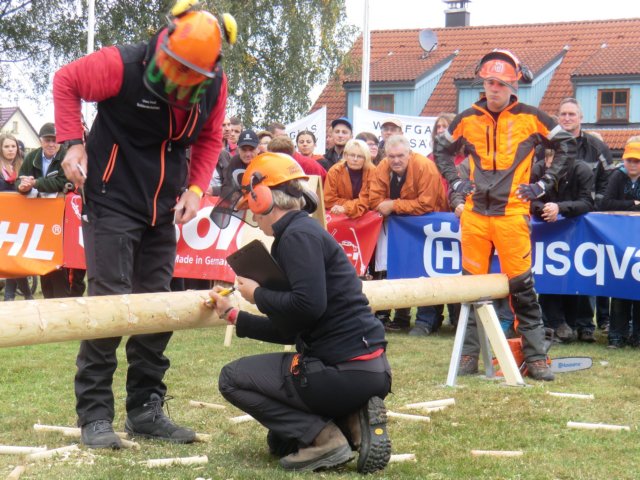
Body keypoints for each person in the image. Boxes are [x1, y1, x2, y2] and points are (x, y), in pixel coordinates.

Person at [53, 7, 229, 449]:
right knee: (108, 303)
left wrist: (194, 187)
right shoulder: (121, 64)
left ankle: (146, 409)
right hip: (111, 196)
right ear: (164, 40)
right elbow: (66, 81)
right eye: (170, 63)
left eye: (186, 73)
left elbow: (208, 139)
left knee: (158, 306)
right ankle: (94, 415)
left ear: (207, 72)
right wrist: (72, 142)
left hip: (164, 205)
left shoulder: (214, 87)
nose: (173, 76)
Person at [208, 152, 392, 473]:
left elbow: (308, 306)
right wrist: (236, 316)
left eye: (252, 207)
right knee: (280, 441)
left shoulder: (296, 236)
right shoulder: (302, 232)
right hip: (368, 370)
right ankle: (351, 419)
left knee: (231, 379)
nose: (253, 217)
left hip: (337, 370)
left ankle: (324, 438)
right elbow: (291, 328)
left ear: (263, 198)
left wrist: (258, 294)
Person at [434, 49, 576, 381]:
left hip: (513, 213)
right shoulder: (466, 118)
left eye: (499, 83)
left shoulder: (532, 116)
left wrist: (544, 185)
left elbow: (567, 144)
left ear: (513, 85)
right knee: (470, 290)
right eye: (488, 82)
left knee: (522, 288)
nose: (493, 88)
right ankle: (468, 355)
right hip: (475, 215)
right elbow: (442, 148)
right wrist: (456, 180)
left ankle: (536, 356)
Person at [369, 134, 448, 336]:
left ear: (409, 153)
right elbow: (374, 199)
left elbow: (427, 203)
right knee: (400, 268)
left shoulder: (425, 167)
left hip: (428, 226)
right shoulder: (381, 168)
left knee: (427, 271)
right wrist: (389, 206)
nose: (396, 160)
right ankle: (400, 317)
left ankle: (427, 319)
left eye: (400, 156)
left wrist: (393, 205)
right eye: (391, 156)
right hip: (399, 228)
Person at [557, 98, 614, 338]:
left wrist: (594, 204)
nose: (567, 118)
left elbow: (608, 181)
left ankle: (585, 325)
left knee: (587, 270)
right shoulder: (549, 146)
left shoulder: (596, 147)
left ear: (581, 117)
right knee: (559, 272)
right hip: (558, 220)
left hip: (589, 219)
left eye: (572, 114)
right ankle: (561, 324)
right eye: (563, 114)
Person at [530, 148, 595, 343]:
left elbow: (587, 202)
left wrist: (560, 208)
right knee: (548, 274)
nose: (549, 167)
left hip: (576, 230)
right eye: (547, 162)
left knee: (575, 275)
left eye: (554, 163)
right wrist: (544, 209)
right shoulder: (538, 168)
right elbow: (527, 197)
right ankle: (554, 324)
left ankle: (574, 323)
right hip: (547, 230)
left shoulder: (582, 170)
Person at [17, 123, 73, 299]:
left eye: (55, 141)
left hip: (61, 215)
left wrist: (36, 183)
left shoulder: (66, 156)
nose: (51, 144)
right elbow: (20, 179)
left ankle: (61, 297)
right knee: (42, 256)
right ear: (40, 140)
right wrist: (23, 186)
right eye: (48, 140)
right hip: (38, 216)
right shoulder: (31, 157)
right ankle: (47, 297)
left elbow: (64, 182)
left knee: (59, 258)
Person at [600, 137, 640, 348]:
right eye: (629, 160)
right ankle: (616, 335)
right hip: (618, 241)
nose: (632, 164)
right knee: (620, 288)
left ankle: (637, 336)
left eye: (637, 161)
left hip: (638, 242)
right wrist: (633, 204)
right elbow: (605, 203)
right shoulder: (617, 176)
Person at [0, 133, 34, 301]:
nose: (10, 150)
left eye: (13, 146)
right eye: (6, 146)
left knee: (15, 257)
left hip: (20, 221)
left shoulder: (24, 166)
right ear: (1, 148)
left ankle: (12, 296)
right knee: (9, 257)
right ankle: (25, 295)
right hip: (2, 220)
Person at [324, 139, 375, 218]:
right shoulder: (334, 171)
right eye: (352, 155)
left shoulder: (372, 171)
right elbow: (329, 200)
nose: (355, 159)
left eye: (360, 156)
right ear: (345, 155)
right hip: (339, 216)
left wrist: (346, 207)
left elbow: (369, 200)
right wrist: (355, 204)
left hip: (366, 216)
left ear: (366, 158)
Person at [220, 129, 260, 198]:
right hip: (240, 204)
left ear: (258, 149)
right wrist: (234, 195)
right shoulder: (235, 161)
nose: (248, 154)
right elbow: (226, 187)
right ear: (238, 149)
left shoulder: (264, 161)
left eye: (251, 149)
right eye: (244, 150)